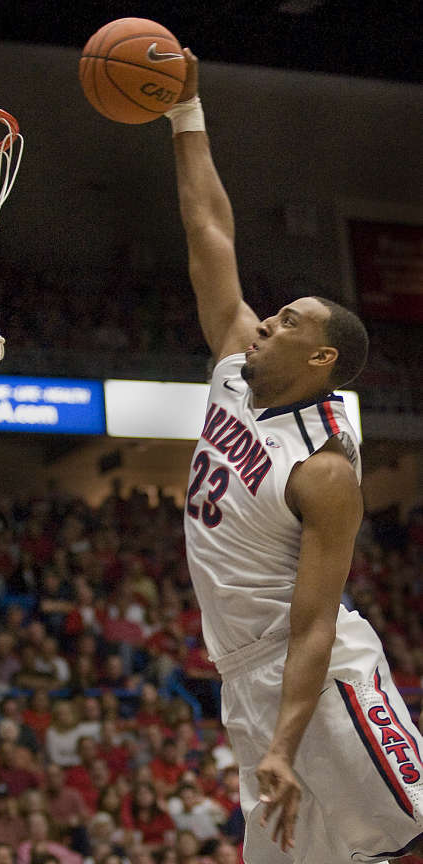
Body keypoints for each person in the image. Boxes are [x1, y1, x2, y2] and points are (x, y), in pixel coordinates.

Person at [160, 49, 423, 863]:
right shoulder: (236, 365)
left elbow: (311, 628)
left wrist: (284, 741)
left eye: (289, 319)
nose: (267, 320)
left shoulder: (324, 471)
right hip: (244, 678)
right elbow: (209, 230)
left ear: (321, 360)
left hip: (319, 678)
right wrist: (184, 113)